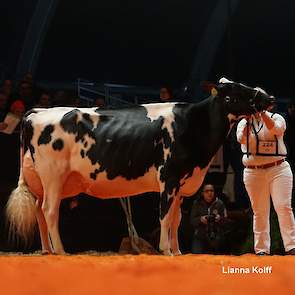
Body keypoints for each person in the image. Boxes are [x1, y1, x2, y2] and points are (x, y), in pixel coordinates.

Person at [236, 106, 295, 255]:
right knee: (259, 211)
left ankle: (291, 246)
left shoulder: (277, 117)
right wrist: (248, 121)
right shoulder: (244, 122)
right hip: (253, 171)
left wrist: (262, 114)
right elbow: (241, 139)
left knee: (283, 207)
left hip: (278, 169)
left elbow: (277, 130)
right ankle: (262, 249)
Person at [190, 184, 227, 254]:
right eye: (206, 191)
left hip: (216, 236)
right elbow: (192, 221)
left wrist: (220, 218)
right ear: (202, 193)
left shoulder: (220, 204)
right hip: (200, 236)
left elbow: (226, 221)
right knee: (196, 256)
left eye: (211, 191)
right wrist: (200, 219)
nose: (209, 193)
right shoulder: (196, 204)